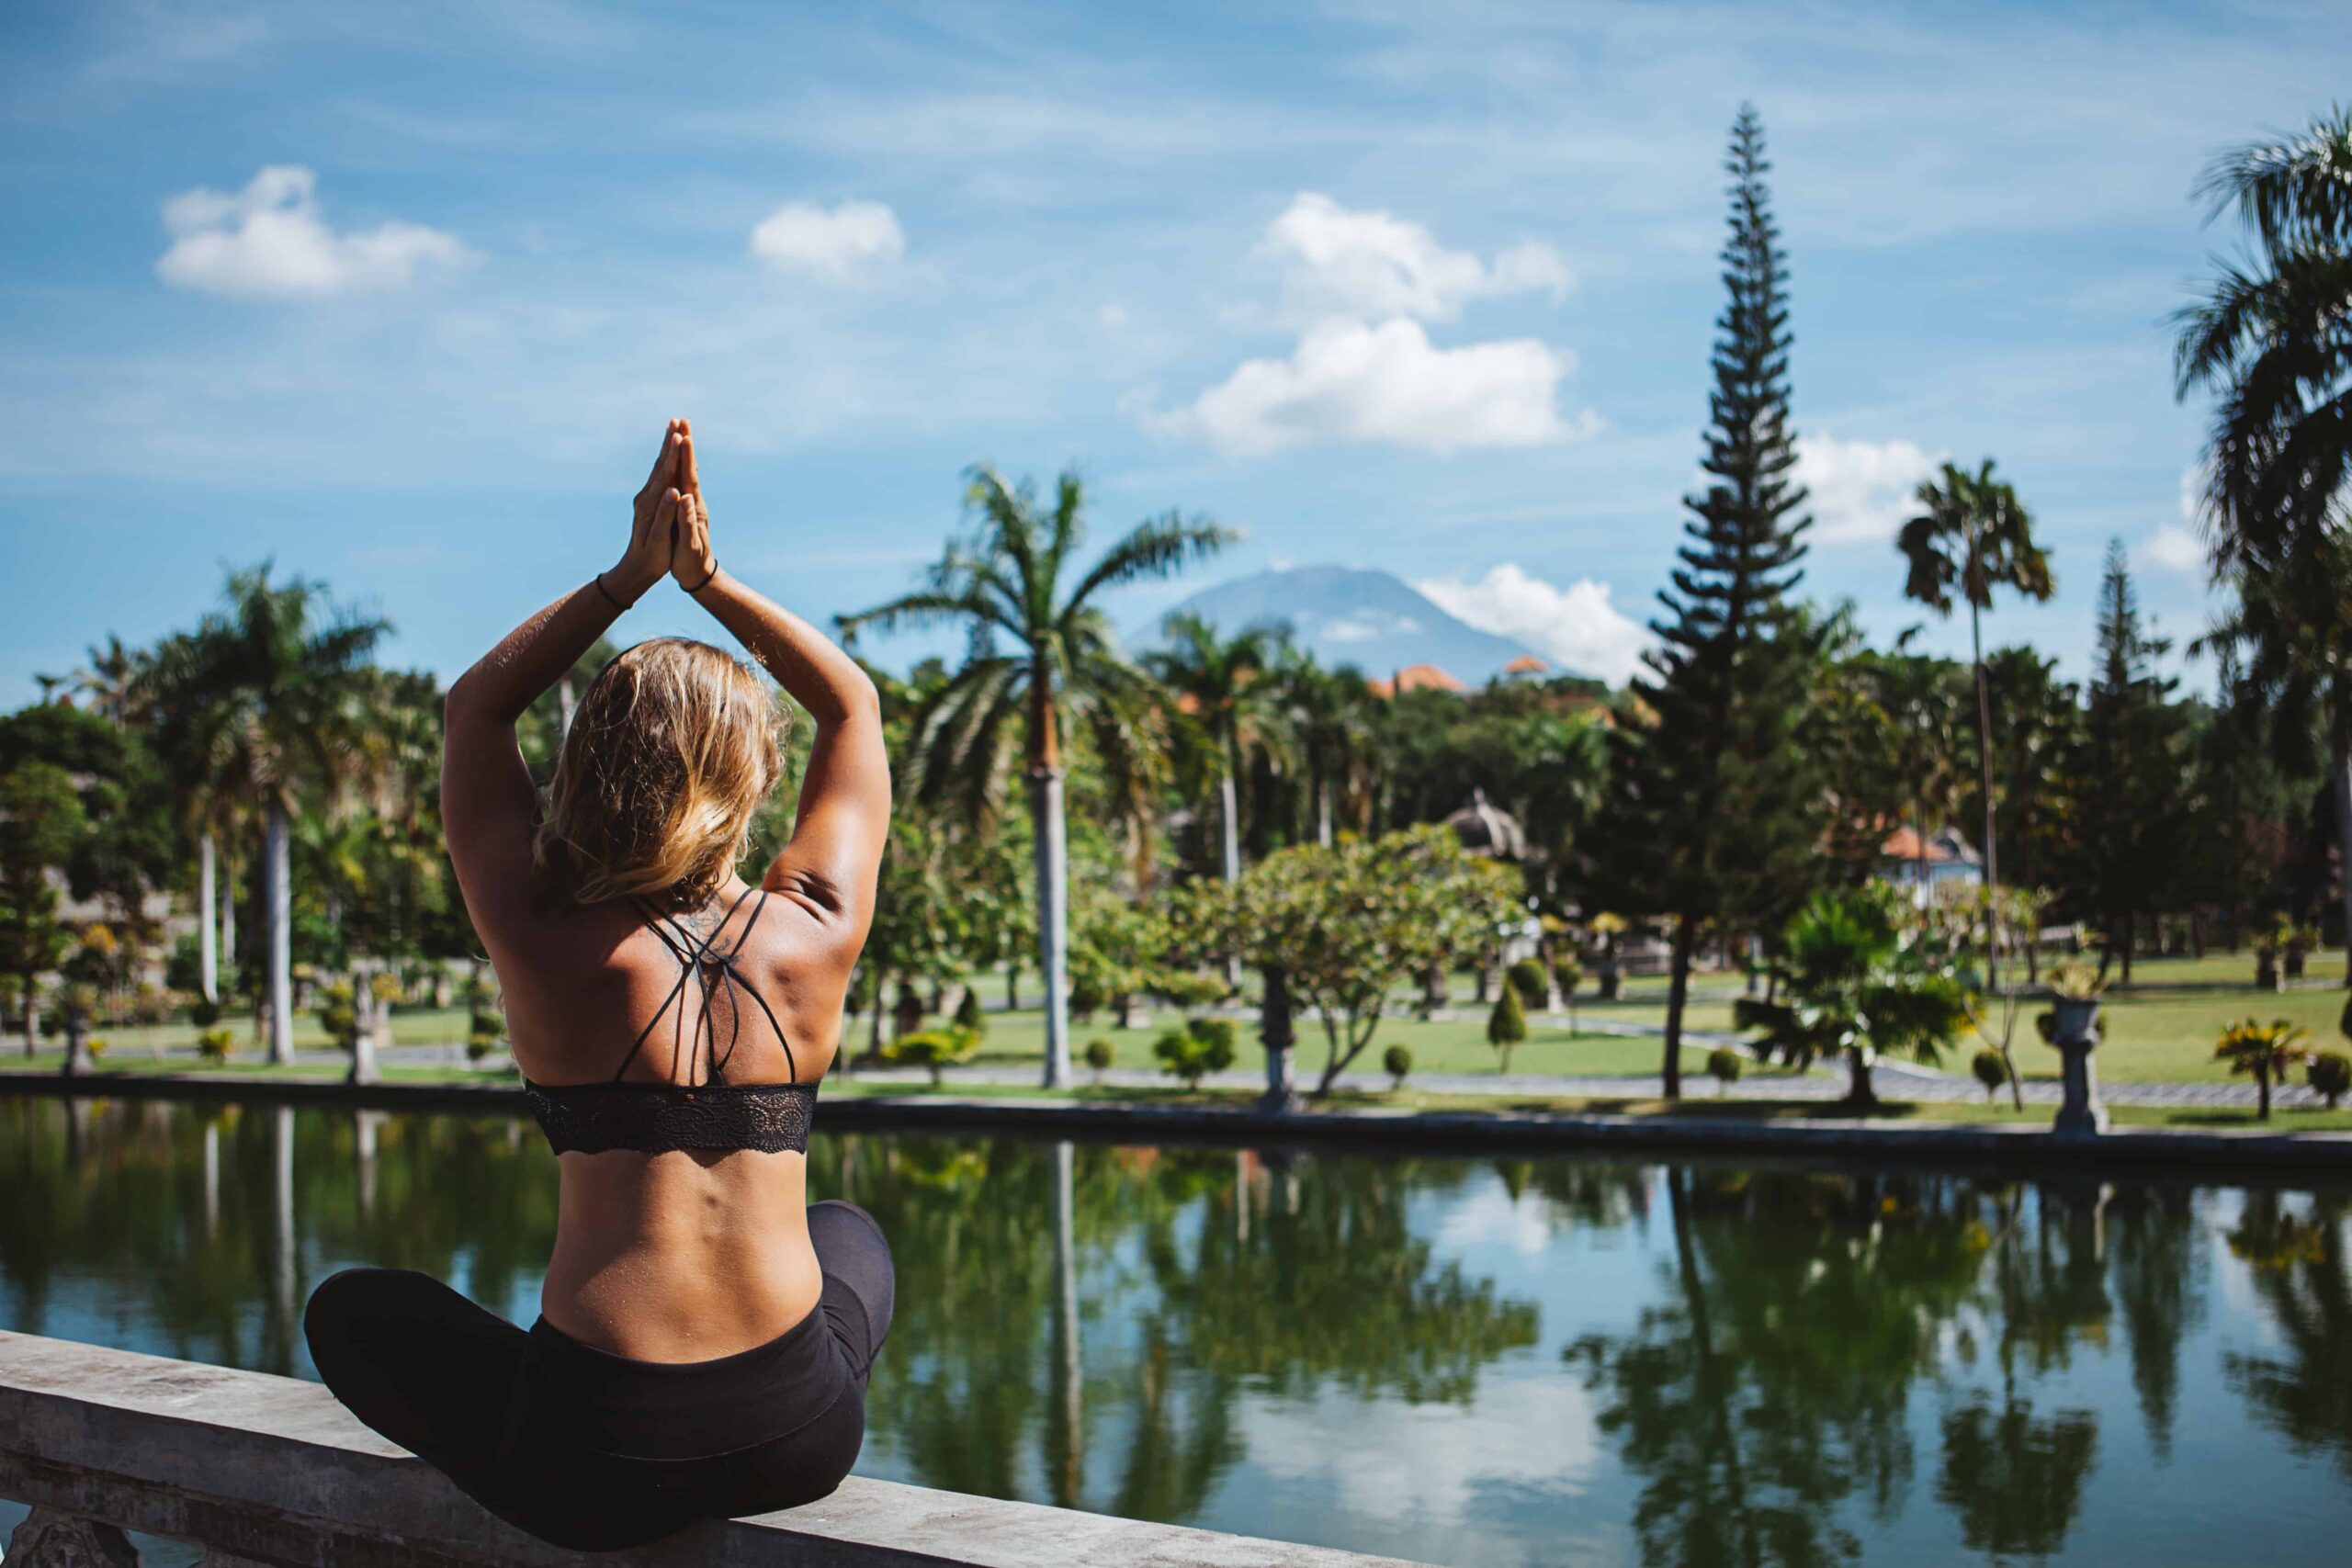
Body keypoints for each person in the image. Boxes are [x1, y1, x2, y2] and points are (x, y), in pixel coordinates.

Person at [303, 419, 894, 1551]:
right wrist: (707, 581)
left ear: (584, 767)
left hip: (596, 1452)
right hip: (804, 1439)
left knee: (350, 1309)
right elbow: (852, 706)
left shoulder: (538, 930)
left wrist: (628, 580)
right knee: (848, 1232)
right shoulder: (811, 927)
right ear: (753, 775)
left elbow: (473, 709)